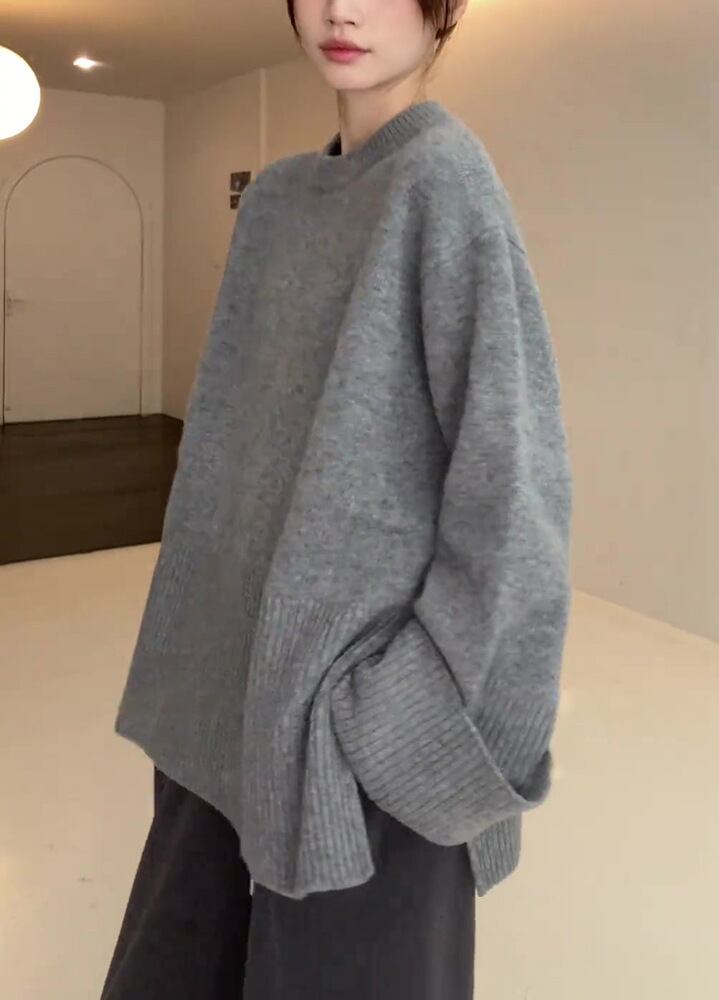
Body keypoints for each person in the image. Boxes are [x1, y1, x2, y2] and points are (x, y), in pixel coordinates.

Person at [101, 1, 574, 997]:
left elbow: (514, 492)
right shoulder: (279, 199)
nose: (340, 8)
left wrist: (400, 714)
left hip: (350, 719)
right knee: (179, 956)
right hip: (220, 682)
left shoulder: (443, 183)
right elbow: (227, 446)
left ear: (444, 12)